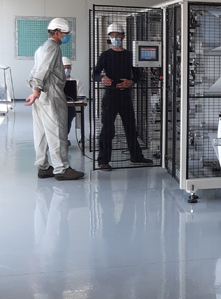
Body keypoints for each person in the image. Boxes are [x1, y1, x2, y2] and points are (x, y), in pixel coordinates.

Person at [25, 18, 85, 181]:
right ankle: (62, 169)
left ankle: (43, 167)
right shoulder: (53, 47)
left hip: (41, 95)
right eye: (65, 33)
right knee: (57, 131)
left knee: (42, 133)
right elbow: (44, 70)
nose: (67, 36)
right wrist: (36, 89)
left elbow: (34, 71)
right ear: (57, 33)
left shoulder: (41, 48)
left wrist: (34, 89)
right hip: (51, 95)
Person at [93, 22, 152, 171]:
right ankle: (103, 161)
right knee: (107, 129)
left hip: (125, 96)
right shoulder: (105, 55)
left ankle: (136, 157)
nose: (115, 38)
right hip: (110, 97)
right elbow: (95, 74)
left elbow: (138, 74)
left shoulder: (130, 56)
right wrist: (102, 78)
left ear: (123, 36)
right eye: (112, 36)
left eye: (117, 35)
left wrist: (131, 82)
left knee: (131, 128)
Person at [63, 57, 84, 146]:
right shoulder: (56, 82)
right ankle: (60, 139)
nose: (67, 70)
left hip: (70, 106)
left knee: (68, 116)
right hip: (58, 106)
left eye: (68, 68)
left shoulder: (76, 82)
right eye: (64, 68)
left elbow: (81, 96)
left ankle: (64, 138)